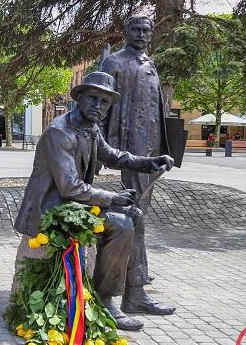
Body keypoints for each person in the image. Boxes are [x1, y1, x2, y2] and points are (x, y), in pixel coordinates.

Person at [14, 72, 174, 331]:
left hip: (72, 201)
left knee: (134, 216)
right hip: (49, 208)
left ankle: (126, 292)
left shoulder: (90, 128)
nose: (98, 106)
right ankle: (106, 299)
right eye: (93, 99)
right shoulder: (59, 132)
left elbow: (113, 157)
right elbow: (69, 186)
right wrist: (113, 198)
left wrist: (149, 162)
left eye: (105, 102)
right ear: (78, 98)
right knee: (121, 224)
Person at [98, 15, 175, 316]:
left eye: (146, 30)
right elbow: (100, 107)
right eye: (136, 29)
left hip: (151, 149)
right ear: (126, 32)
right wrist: (98, 151)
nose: (142, 34)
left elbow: (157, 108)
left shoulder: (149, 63)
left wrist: (164, 148)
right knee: (135, 218)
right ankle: (134, 293)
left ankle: (134, 288)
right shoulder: (115, 62)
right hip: (127, 148)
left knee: (138, 218)